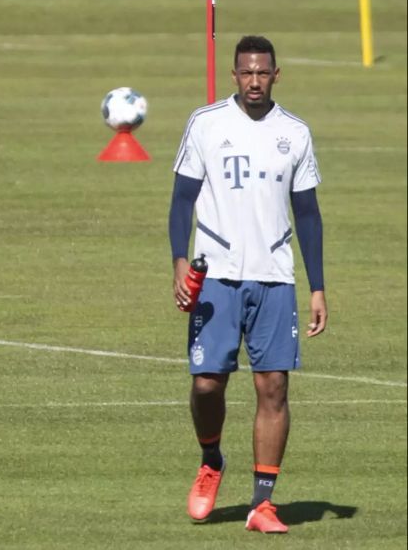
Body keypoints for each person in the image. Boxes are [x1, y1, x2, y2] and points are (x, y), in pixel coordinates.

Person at [168, 35, 327, 533]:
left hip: (275, 276)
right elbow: (180, 200)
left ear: (276, 75)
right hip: (215, 275)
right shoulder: (206, 123)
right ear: (234, 75)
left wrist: (318, 285)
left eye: (263, 72)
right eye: (246, 73)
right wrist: (178, 260)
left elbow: (308, 214)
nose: (254, 81)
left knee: (273, 386)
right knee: (207, 383)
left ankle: (262, 503)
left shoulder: (295, 133)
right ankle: (212, 458)